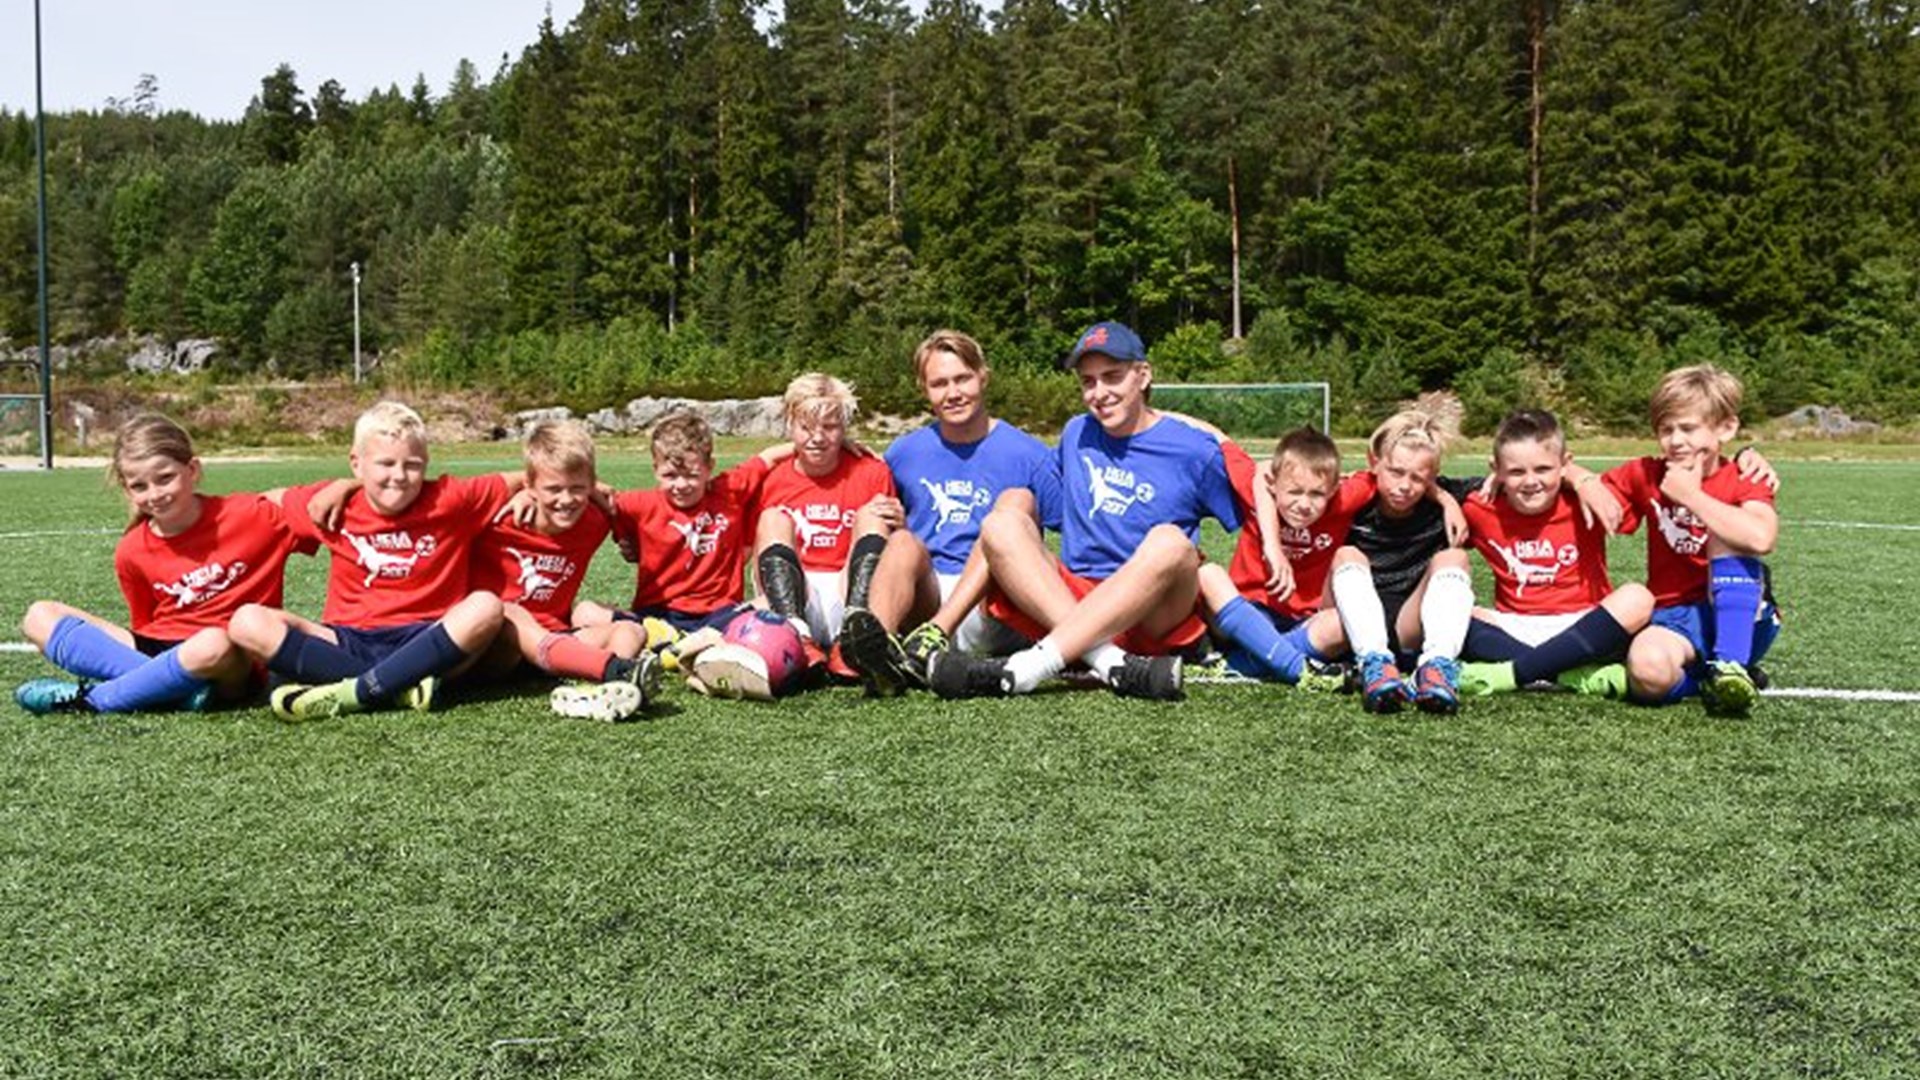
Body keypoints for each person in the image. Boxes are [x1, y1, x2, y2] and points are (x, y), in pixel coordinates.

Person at [926, 320, 1240, 701]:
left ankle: (1029, 667)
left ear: (1143, 376)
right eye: (1088, 382)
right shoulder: (1077, 433)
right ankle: (1111, 663)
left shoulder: (1194, 449)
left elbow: (1252, 509)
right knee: (1002, 519)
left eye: (1112, 377)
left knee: (1171, 540)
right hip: (1077, 603)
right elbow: (1029, 491)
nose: (1100, 392)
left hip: (1156, 610)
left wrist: (1217, 437)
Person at [14, 414, 317, 714]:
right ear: (126, 489)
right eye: (139, 486)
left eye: (165, 478)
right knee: (39, 616)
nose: (155, 494)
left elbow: (324, 503)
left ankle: (94, 700)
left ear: (193, 469)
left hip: (229, 661)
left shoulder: (254, 515)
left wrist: (340, 488)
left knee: (213, 643)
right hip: (162, 649)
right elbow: (144, 624)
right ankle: (173, 691)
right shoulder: (131, 550)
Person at [227, 401, 511, 719]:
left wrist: (527, 492)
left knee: (486, 607)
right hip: (347, 638)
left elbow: (532, 478)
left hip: (428, 638)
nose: (399, 476)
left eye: (413, 465)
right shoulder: (330, 505)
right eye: (385, 464)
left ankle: (355, 692)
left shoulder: (452, 499)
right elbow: (268, 499)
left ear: (427, 462)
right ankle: (398, 688)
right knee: (246, 622)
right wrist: (344, 486)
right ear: (356, 463)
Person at [836, 330, 1060, 696]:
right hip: (926, 599)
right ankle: (877, 653)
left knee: (1016, 502)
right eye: (939, 384)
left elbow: (1078, 531)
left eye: (962, 379)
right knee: (903, 540)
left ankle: (934, 635)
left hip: (996, 599)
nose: (953, 393)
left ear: (983, 376)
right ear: (924, 390)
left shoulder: (1029, 453)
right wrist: (837, 444)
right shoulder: (905, 452)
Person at [1603, 364, 1780, 716]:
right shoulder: (1646, 474)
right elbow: (1593, 499)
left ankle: (1730, 662)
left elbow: (1761, 538)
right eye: (1665, 430)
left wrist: (1690, 496)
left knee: (1727, 536)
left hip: (1744, 616)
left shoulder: (1744, 475)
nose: (1676, 440)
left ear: (1726, 428)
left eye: (1688, 428)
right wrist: (1574, 475)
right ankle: (1708, 683)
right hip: (1673, 616)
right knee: (1646, 672)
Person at [1453, 409, 1653, 697]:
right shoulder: (1479, 508)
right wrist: (1447, 503)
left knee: (1638, 598)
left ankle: (1510, 674)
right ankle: (1569, 673)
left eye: (1543, 469)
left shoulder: (1589, 498)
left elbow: (1651, 474)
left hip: (1587, 624)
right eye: (1516, 471)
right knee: (1446, 609)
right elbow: (1424, 487)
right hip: (1515, 625)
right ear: (1496, 469)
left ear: (1564, 464)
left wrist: (1584, 479)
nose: (1531, 481)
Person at [469, 419, 659, 721]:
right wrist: (516, 492)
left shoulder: (595, 520)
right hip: (496, 650)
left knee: (630, 630)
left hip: (556, 639)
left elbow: (637, 512)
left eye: (577, 489)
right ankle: (608, 669)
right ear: (530, 486)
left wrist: (631, 543)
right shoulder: (499, 518)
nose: (566, 500)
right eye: (554, 489)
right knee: (508, 613)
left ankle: (611, 690)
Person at [572, 412, 791, 642]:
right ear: (655, 468)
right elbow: (597, 496)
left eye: (692, 475)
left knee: (772, 601)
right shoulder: (639, 504)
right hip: (657, 616)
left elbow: (768, 457)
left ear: (710, 468)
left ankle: (680, 644)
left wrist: (820, 445)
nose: (681, 485)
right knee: (585, 612)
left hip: (721, 614)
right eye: (670, 475)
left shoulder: (728, 489)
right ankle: (687, 642)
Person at [749, 373, 901, 680]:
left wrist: (901, 522)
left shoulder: (872, 472)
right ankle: (797, 635)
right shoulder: (772, 477)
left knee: (873, 514)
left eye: (830, 427)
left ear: (844, 427)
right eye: (806, 427)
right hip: (793, 594)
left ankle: (854, 634)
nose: (817, 438)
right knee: (772, 519)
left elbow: (896, 549)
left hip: (850, 588)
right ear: (789, 424)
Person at [1195, 427, 1367, 687]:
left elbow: (1391, 476)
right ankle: (1299, 669)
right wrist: (1149, 411)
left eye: (1317, 494)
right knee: (1208, 575)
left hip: (1304, 622)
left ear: (1334, 489)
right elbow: (1218, 437)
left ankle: (1242, 664)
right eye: (1294, 492)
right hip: (1248, 612)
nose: (1304, 504)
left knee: (1343, 624)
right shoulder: (1254, 486)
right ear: (1272, 485)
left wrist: (1442, 497)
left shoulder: (1347, 498)